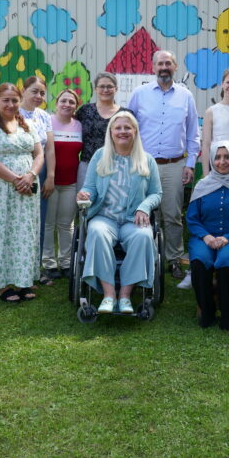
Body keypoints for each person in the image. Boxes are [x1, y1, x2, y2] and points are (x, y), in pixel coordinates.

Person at [77, 111, 162, 314]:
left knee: (143, 236)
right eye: (118, 128)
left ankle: (124, 295)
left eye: (127, 127)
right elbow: (90, 187)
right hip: (105, 217)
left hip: (133, 219)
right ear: (111, 132)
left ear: (135, 131)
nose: (123, 131)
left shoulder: (147, 160)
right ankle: (109, 295)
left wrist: (144, 207)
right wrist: (85, 194)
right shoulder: (100, 156)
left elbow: (156, 193)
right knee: (96, 232)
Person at [127, 50, 200, 284]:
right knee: (143, 212)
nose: (164, 67)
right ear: (153, 66)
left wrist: (190, 164)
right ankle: (146, 255)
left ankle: (174, 258)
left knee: (172, 214)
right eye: (160, 63)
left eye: (168, 63)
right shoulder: (139, 94)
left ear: (175, 66)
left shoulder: (186, 96)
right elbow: (128, 128)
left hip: (174, 164)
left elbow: (193, 134)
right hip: (143, 164)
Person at [0, 83, 43, 303]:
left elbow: (39, 154)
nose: (11, 104)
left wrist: (30, 175)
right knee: (1, 232)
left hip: (27, 188)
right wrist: (16, 179)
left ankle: (24, 280)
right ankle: (2, 284)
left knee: (25, 232)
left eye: (15, 100)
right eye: (6, 100)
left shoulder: (28, 125)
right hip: (2, 189)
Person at [187, 141, 229, 331]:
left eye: (227, 157)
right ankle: (206, 311)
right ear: (211, 160)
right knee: (200, 260)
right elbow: (192, 219)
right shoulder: (203, 185)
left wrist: (228, 237)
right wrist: (206, 237)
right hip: (204, 238)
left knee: (226, 260)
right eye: (217, 157)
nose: (222, 162)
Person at [41, 88, 82, 282]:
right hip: (50, 182)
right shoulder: (46, 122)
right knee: (48, 224)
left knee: (67, 224)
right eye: (63, 101)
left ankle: (66, 262)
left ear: (76, 106)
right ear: (56, 103)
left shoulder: (79, 125)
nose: (67, 104)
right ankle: (48, 263)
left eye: (71, 102)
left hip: (71, 182)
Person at [18, 76, 55, 277]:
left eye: (42, 92)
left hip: (41, 170)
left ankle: (35, 268)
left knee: (38, 220)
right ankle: (17, 268)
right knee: (20, 220)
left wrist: (50, 175)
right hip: (20, 172)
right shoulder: (12, 113)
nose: (38, 96)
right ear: (23, 90)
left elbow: (49, 149)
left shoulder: (44, 117)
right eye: (34, 91)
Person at [75, 72, 123, 190]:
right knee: (85, 202)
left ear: (116, 89)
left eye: (109, 86)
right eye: (101, 86)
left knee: (112, 202)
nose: (105, 90)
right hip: (87, 165)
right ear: (96, 89)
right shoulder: (84, 111)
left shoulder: (124, 114)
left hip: (116, 166)